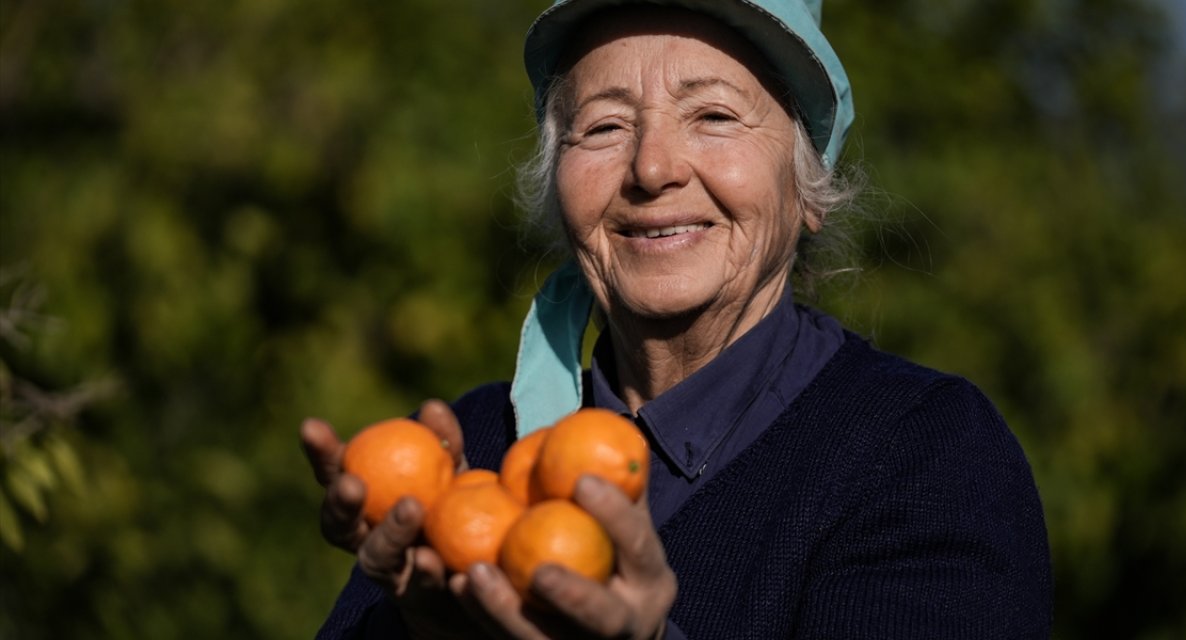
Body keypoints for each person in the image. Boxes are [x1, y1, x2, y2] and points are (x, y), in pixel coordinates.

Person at [302, 0, 1054, 637]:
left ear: (808, 187)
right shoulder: (464, 459)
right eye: (602, 127)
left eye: (714, 116)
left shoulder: (924, 453)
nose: (653, 168)